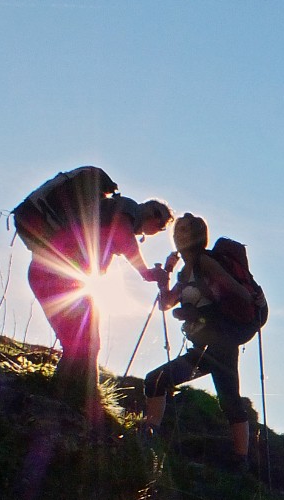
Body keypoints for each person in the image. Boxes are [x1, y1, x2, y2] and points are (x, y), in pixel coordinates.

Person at [27, 194, 173, 414]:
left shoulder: (109, 210)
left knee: (80, 342)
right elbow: (123, 235)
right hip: (61, 274)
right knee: (87, 342)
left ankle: (66, 397)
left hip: (51, 271)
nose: (157, 230)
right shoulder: (127, 207)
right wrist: (146, 272)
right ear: (152, 212)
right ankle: (80, 401)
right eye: (160, 225)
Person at [143, 213, 260, 469]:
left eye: (184, 229)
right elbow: (166, 304)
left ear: (197, 235)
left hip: (220, 344)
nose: (178, 233)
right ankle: (149, 436)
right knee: (224, 396)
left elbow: (238, 294)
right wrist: (167, 273)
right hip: (205, 346)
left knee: (226, 398)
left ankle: (241, 461)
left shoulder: (204, 262)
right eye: (178, 229)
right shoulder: (185, 271)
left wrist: (198, 314)